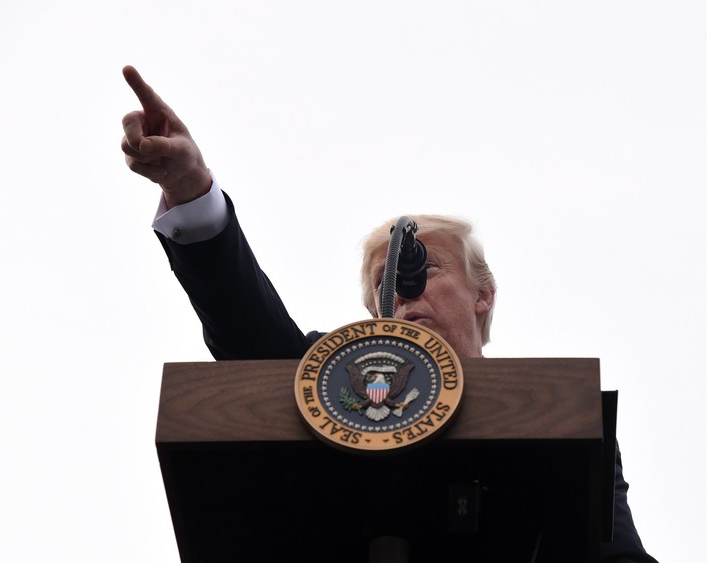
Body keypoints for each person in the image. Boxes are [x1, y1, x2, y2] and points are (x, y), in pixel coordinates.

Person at [121, 65, 657, 562]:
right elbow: (245, 325)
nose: (404, 292)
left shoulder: (555, 419)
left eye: (425, 268)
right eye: (387, 284)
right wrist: (191, 192)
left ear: (483, 294)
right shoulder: (327, 384)